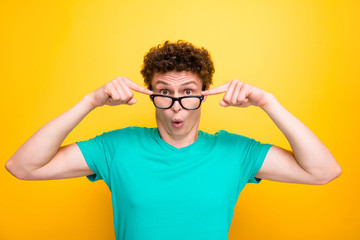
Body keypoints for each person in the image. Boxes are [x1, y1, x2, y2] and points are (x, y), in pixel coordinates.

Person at [5, 40, 341, 240]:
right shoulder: (116, 147)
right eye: (164, 93)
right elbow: (21, 166)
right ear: (150, 94)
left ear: (205, 95)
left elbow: (323, 171)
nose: (176, 106)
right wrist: (89, 102)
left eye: (188, 93)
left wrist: (269, 103)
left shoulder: (236, 153)